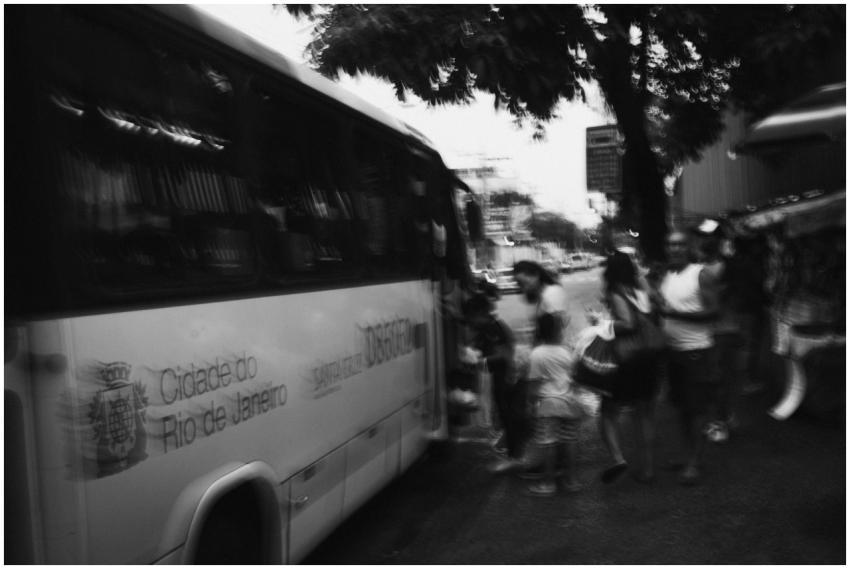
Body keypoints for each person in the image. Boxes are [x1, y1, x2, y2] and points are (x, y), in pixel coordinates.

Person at [654, 230, 720, 486]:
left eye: (680, 244)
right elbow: (664, 311)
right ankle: (687, 455)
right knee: (681, 408)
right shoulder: (668, 275)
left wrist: (675, 314)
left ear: (689, 247)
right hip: (673, 352)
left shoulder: (701, 274)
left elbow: (714, 312)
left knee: (697, 409)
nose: (675, 249)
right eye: (671, 245)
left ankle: (694, 461)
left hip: (697, 352)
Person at [594, 250, 661, 484]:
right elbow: (653, 305)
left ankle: (618, 459)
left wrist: (602, 324)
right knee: (645, 413)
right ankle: (649, 468)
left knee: (607, 411)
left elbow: (628, 323)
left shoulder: (615, 291)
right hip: (650, 355)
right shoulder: (640, 287)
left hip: (627, 359)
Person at [461, 293, 524, 472]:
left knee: (509, 416)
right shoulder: (486, 327)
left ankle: (515, 457)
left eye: (471, 316)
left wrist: (480, 360)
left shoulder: (494, 328)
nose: (469, 321)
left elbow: (504, 355)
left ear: (481, 313)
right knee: (504, 415)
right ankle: (513, 453)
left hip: (506, 377)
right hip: (499, 376)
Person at [523, 312, 584, 496]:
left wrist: (530, 404)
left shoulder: (537, 354)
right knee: (570, 441)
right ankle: (571, 481)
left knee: (548, 443)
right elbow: (576, 378)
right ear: (558, 331)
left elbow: (533, 385)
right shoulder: (567, 351)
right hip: (570, 402)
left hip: (548, 404)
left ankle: (547, 484)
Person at [513, 260, 571, 345]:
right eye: (520, 284)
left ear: (536, 275)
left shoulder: (552, 293)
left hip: (555, 349)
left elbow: (556, 327)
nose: (523, 288)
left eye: (524, 283)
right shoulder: (540, 295)